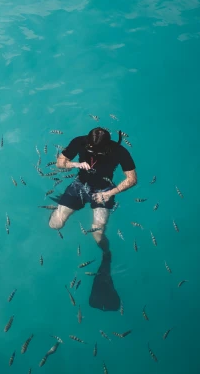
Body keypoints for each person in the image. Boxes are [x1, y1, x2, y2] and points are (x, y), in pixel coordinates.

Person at [48, 127, 137, 311]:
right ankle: (60, 206)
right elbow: (60, 163)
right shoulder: (80, 141)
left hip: (104, 190)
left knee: (98, 233)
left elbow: (132, 179)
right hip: (80, 185)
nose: (92, 151)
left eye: (97, 150)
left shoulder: (119, 151)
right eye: (90, 148)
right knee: (54, 225)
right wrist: (75, 165)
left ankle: (107, 255)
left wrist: (109, 194)